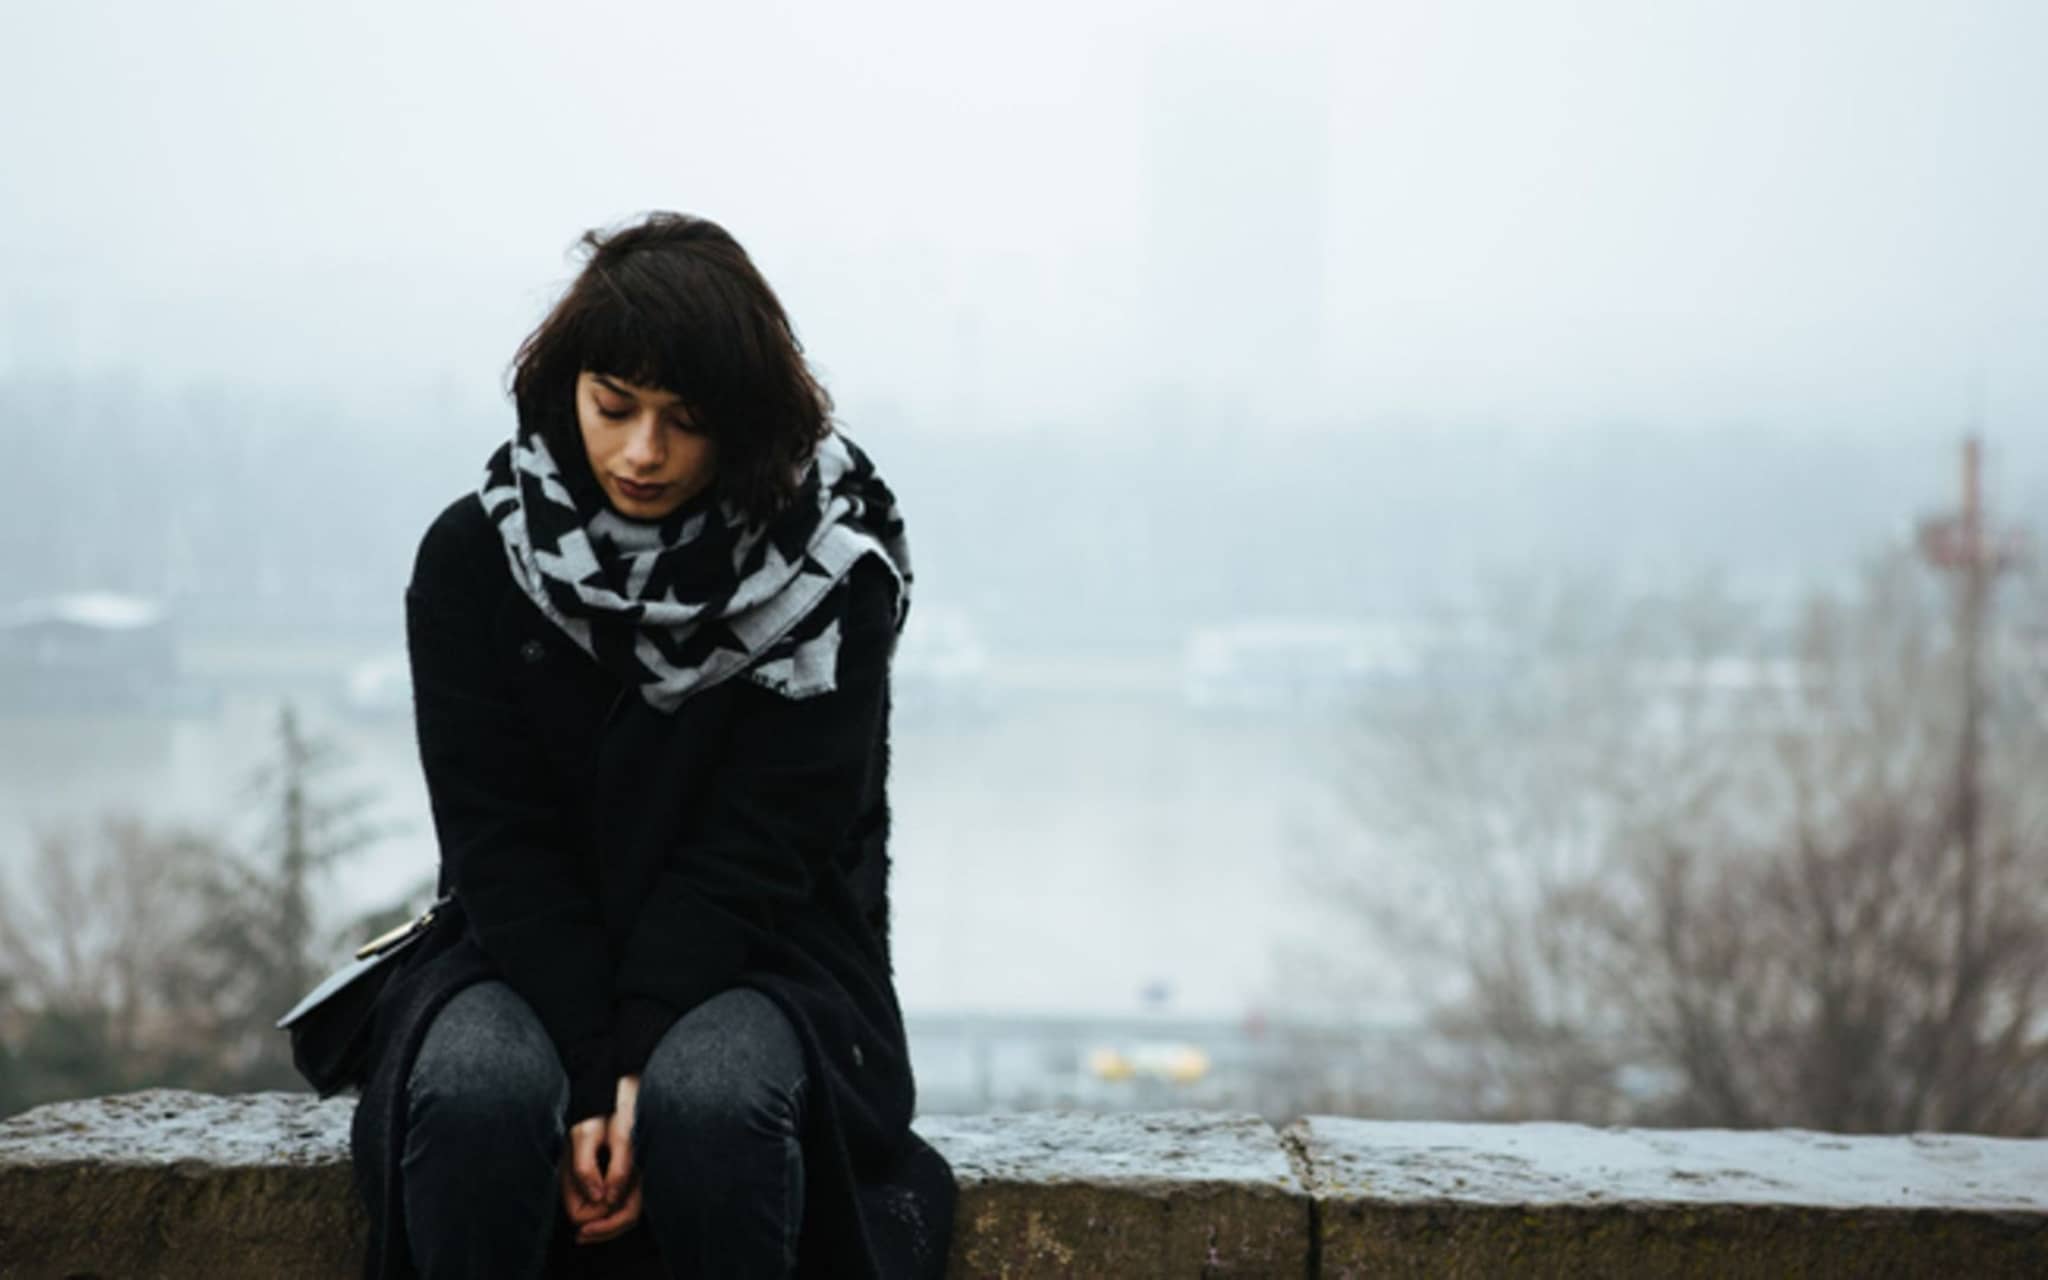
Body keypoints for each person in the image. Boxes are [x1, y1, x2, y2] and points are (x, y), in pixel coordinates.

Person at [345, 211, 958, 1280]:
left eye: (685, 419)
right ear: (564, 387)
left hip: (770, 946)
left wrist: (630, 1069)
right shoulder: (474, 560)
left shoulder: (828, 575)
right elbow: (498, 838)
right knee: (479, 1092)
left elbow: (766, 845)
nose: (642, 451)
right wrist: (592, 1070)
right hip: (516, 937)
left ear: (748, 420)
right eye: (613, 406)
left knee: (710, 1103)